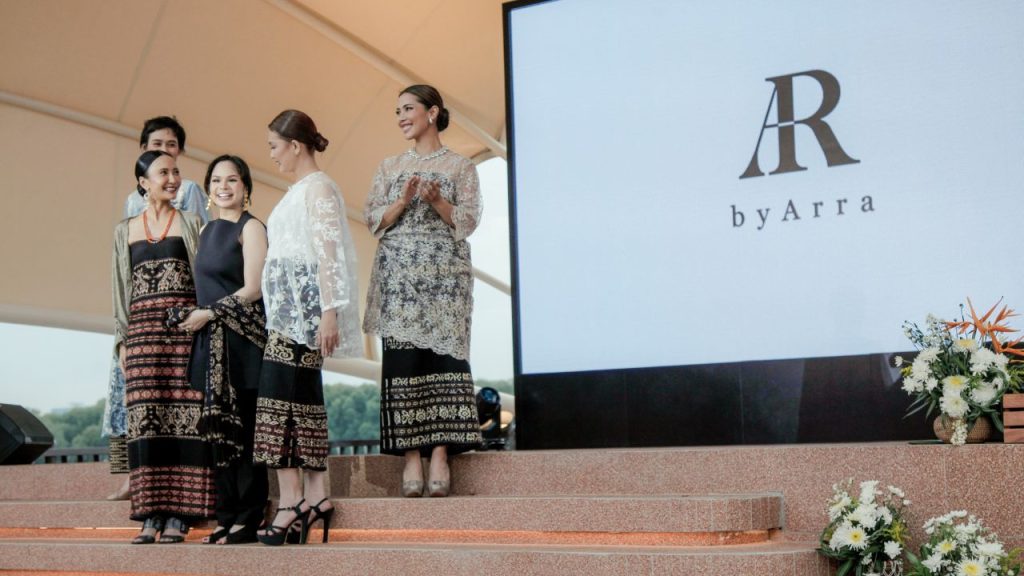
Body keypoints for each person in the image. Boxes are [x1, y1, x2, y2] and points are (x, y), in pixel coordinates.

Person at [363, 85, 483, 498]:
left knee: (443, 361)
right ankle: (411, 456)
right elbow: (372, 218)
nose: (401, 117)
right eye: (397, 110)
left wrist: (437, 202)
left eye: (408, 108)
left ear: (432, 113)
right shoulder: (390, 166)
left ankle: (440, 453)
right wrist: (402, 201)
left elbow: (469, 221)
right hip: (399, 282)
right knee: (404, 363)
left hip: (445, 283)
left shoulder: (461, 166)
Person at [254, 110, 362, 546]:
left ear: (295, 145)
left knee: (279, 403)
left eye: (274, 146)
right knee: (301, 402)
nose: (272, 155)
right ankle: (315, 496)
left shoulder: (318, 188)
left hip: (304, 317)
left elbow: (328, 252)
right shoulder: (300, 189)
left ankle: (290, 502)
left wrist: (330, 312)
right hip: (289, 316)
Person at [103, 116, 210, 500]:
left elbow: (205, 263)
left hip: (184, 326)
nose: (170, 171)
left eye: (171, 147)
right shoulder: (127, 221)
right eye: (156, 146)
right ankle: (143, 490)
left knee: (186, 410)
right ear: (143, 178)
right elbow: (121, 284)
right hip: (142, 330)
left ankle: (187, 500)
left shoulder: (191, 201)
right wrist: (122, 340)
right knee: (142, 408)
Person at [171, 155, 269, 545]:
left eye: (231, 180)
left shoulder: (252, 227)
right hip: (210, 344)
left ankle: (250, 515)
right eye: (216, 180)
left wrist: (207, 313)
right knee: (219, 434)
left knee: (244, 431)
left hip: (243, 343)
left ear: (245, 186)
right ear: (208, 188)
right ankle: (226, 515)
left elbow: (253, 289)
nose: (223, 187)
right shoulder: (207, 229)